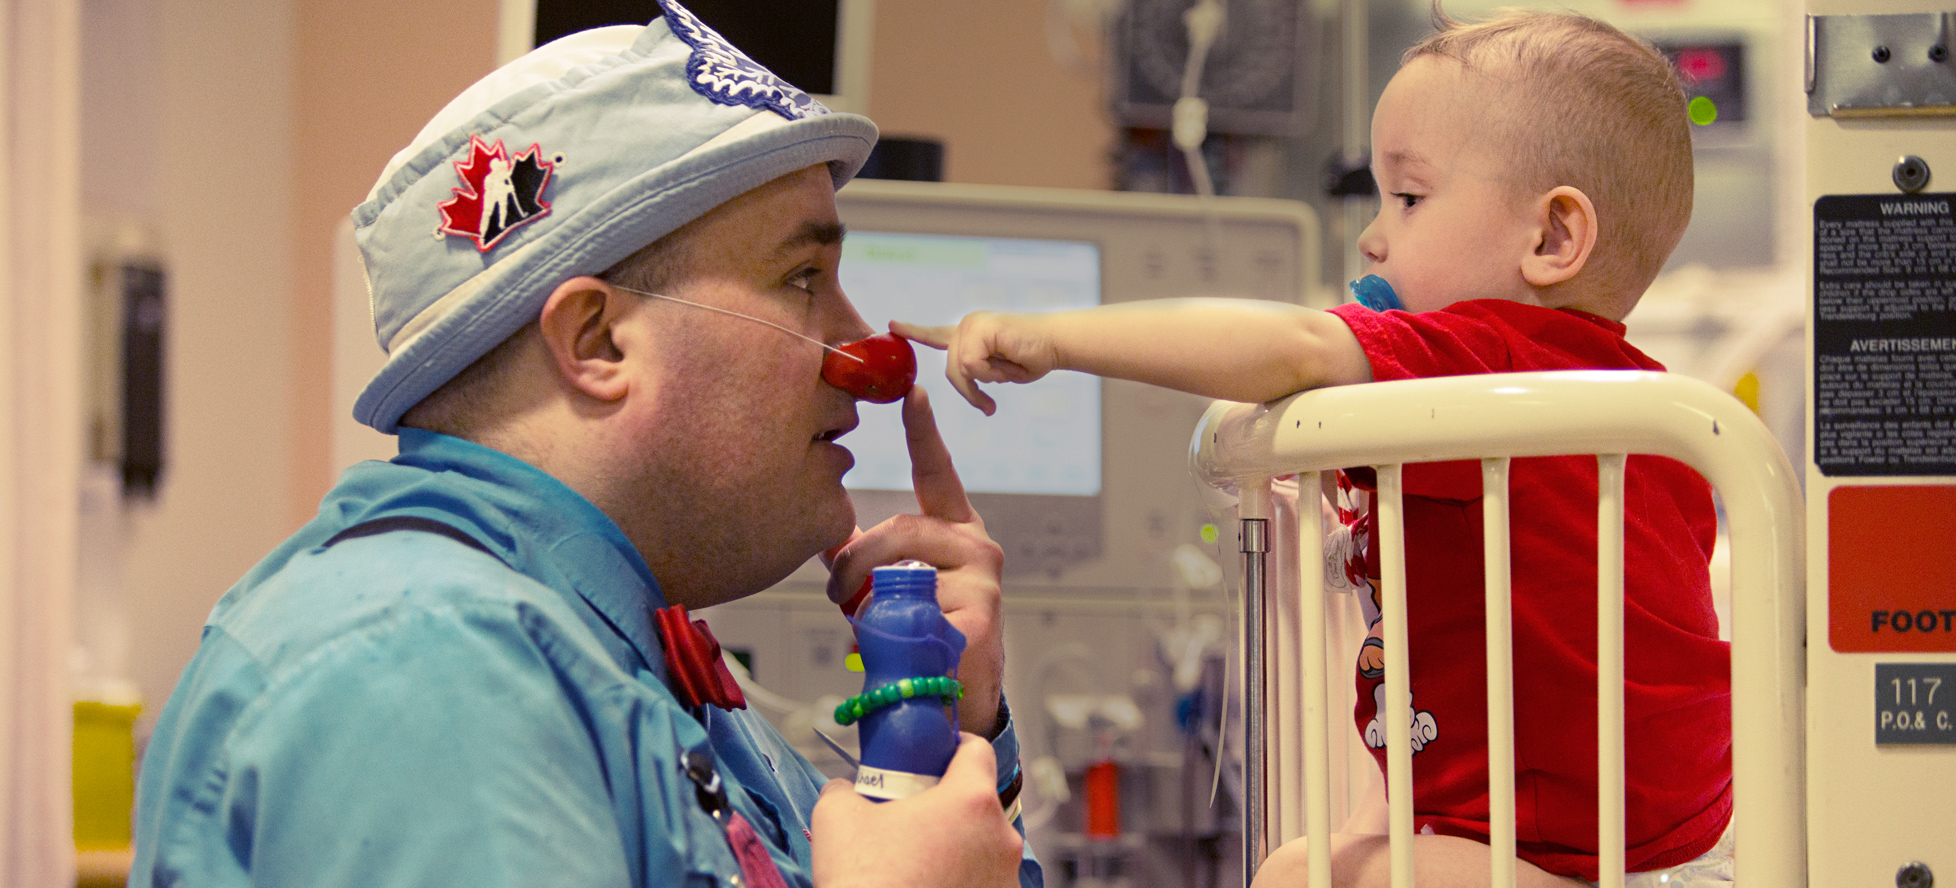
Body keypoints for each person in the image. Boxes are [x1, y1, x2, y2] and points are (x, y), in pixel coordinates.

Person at [130, 6, 1038, 887]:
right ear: (597, 342)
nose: (863, 357)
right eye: (802, 278)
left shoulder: (637, 659)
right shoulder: (426, 666)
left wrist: (942, 729)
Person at [897, 9, 1729, 888]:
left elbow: (1292, 348)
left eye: (1409, 199)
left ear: (1552, 239)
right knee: (1340, 842)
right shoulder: (1634, 403)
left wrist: (1055, 341)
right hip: (1658, 833)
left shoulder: (1484, 358)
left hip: (1557, 851)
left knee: (1295, 875)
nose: (1374, 236)